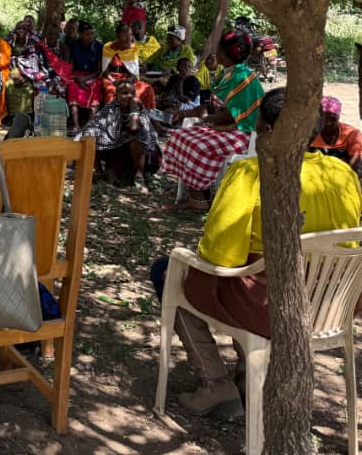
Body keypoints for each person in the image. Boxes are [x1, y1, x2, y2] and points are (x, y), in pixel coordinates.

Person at [150, 88, 362, 416]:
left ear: (265, 130)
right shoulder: (344, 174)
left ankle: (216, 385)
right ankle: (248, 374)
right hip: (332, 307)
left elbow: (219, 257)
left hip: (271, 308)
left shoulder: (250, 173)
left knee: (169, 271)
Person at [162, 29, 265, 211]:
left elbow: (231, 114)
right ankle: (201, 196)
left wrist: (205, 120)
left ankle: (199, 200)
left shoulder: (242, 77)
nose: (216, 53)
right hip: (225, 128)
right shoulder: (226, 73)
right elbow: (210, 105)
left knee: (198, 146)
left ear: (226, 55)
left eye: (219, 49)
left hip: (243, 133)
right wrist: (185, 114)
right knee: (182, 137)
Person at [77, 79, 161, 189]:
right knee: (91, 135)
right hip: (120, 149)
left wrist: (134, 107)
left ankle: (139, 175)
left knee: (137, 140)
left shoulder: (138, 107)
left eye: (132, 93)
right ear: (116, 95)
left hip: (145, 155)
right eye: (124, 93)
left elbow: (134, 127)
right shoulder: (112, 108)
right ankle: (99, 172)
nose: (128, 96)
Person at [6, 21, 50, 116]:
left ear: (28, 31)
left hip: (31, 73)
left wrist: (26, 76)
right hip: (14, 71)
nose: (21, 31)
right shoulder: (10, 42)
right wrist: (14, 73)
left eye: (24, 29)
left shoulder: (33, 44)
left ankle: (28, 115)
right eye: (19, 28)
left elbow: (34, 62)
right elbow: (7, 59)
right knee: (10, 85)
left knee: (35, 86)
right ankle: (13, 115)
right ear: (15, 30)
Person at [66, 20, 104, 131]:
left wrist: (85, 78)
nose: (90, 36)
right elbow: (68, 66)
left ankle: (89, 125)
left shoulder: (98, 46)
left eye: (92, 33)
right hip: (75, 75)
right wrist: (77, 78)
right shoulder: (73, 45)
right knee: (72, 86)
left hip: (92, 75)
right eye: (87, 34)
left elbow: (99, 69)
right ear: (80, 34)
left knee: (95, 86)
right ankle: (76, 124)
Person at [310, 96, 362, 175]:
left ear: (338, 118)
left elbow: (356, 166)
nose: (328, 123)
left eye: (333, 119)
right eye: (324, 118)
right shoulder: (308, 134)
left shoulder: (352, 134)